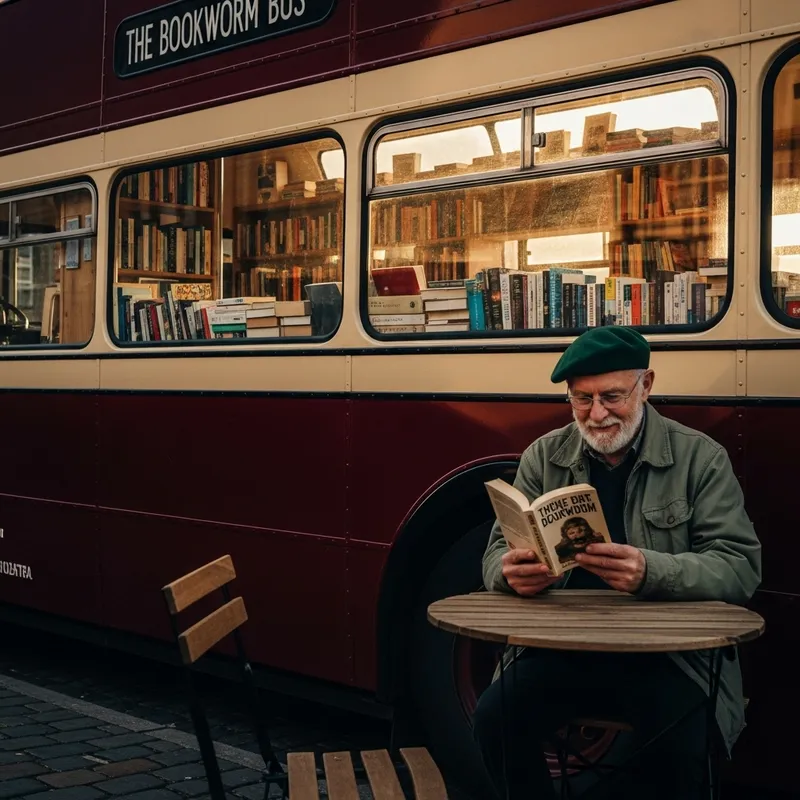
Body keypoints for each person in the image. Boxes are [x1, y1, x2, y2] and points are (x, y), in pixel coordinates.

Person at [472, 326, 762, 800]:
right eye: (581, 400)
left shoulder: (700, 459)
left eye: (611, 396)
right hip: (560, 650)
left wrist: (652, 571)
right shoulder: (543, 456)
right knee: (493, 720)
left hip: (666, 657)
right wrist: (508, 574)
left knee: (682, 746)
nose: (597, 413)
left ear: (646, 385)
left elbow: (740, 568)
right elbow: (491, 555)